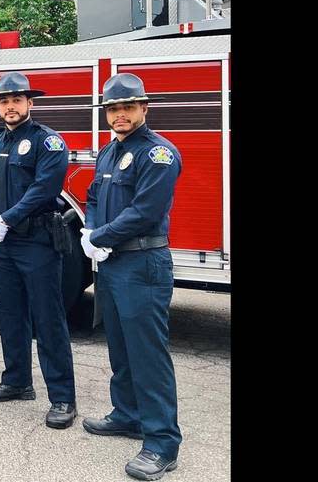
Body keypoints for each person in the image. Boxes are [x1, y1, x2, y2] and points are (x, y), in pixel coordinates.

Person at [81, 73, 183, 481]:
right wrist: (89, 232)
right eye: (112, 109)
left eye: (127, 107)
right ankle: (127, 415)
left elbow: (144, 211)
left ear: (144, 108)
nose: (119, 115)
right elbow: (91, 196)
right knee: (120, 348)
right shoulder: (109, 152)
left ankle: (161, 443)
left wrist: (101, 236)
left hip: (143, 265)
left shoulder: (159, 154)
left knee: (148, 355)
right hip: (113, 263)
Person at [0, 72, 77, 429]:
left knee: (48, 320)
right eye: (3, 101)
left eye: (16, 100)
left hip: (38, 243)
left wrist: (8, 218)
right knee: (11, 316)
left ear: (30, 103)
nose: (9, 106)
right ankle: (17, 381)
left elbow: (45, 189)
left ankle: (62, 398)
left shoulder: (48, 143)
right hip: (2, 244)